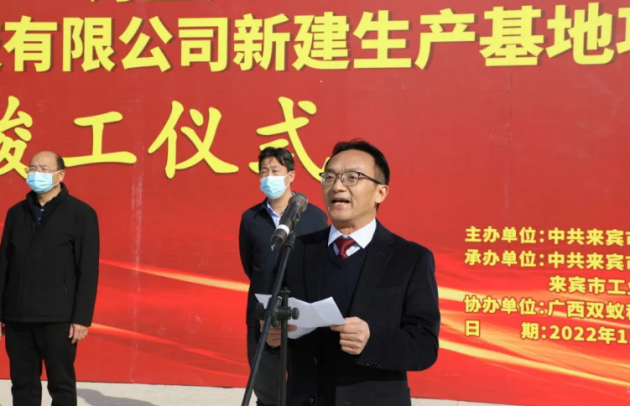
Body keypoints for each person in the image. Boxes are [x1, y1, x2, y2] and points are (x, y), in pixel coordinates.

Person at [265, 140, 440, 406]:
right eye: (330, 177)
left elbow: (425, 347)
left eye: (352, 177)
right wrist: (272, 336)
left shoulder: (410, 259)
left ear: (380, 192)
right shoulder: (296, 250)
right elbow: (270, 321)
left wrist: (372, 339)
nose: (337, 186)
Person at [0, 151, 100, 406]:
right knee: (22, 385)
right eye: (32, 168)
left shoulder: (81, 214)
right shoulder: (16, 213)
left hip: (58, 318)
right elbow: (4, 265)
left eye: (44, 169)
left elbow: (87, 270)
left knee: (61, 385)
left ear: (60, 175)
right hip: (18, 317)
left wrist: (81, 318)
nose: (36, 174)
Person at [239, 147, 328, 406]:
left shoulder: (315, 217)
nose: (268, 177)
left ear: (291, 176)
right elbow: (250, 264)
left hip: (302, 314)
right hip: (263, 314)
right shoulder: (251, 218)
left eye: (275, 171)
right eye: (263, 172)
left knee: (304, 388)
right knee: (267, 388)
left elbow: (319, 264)